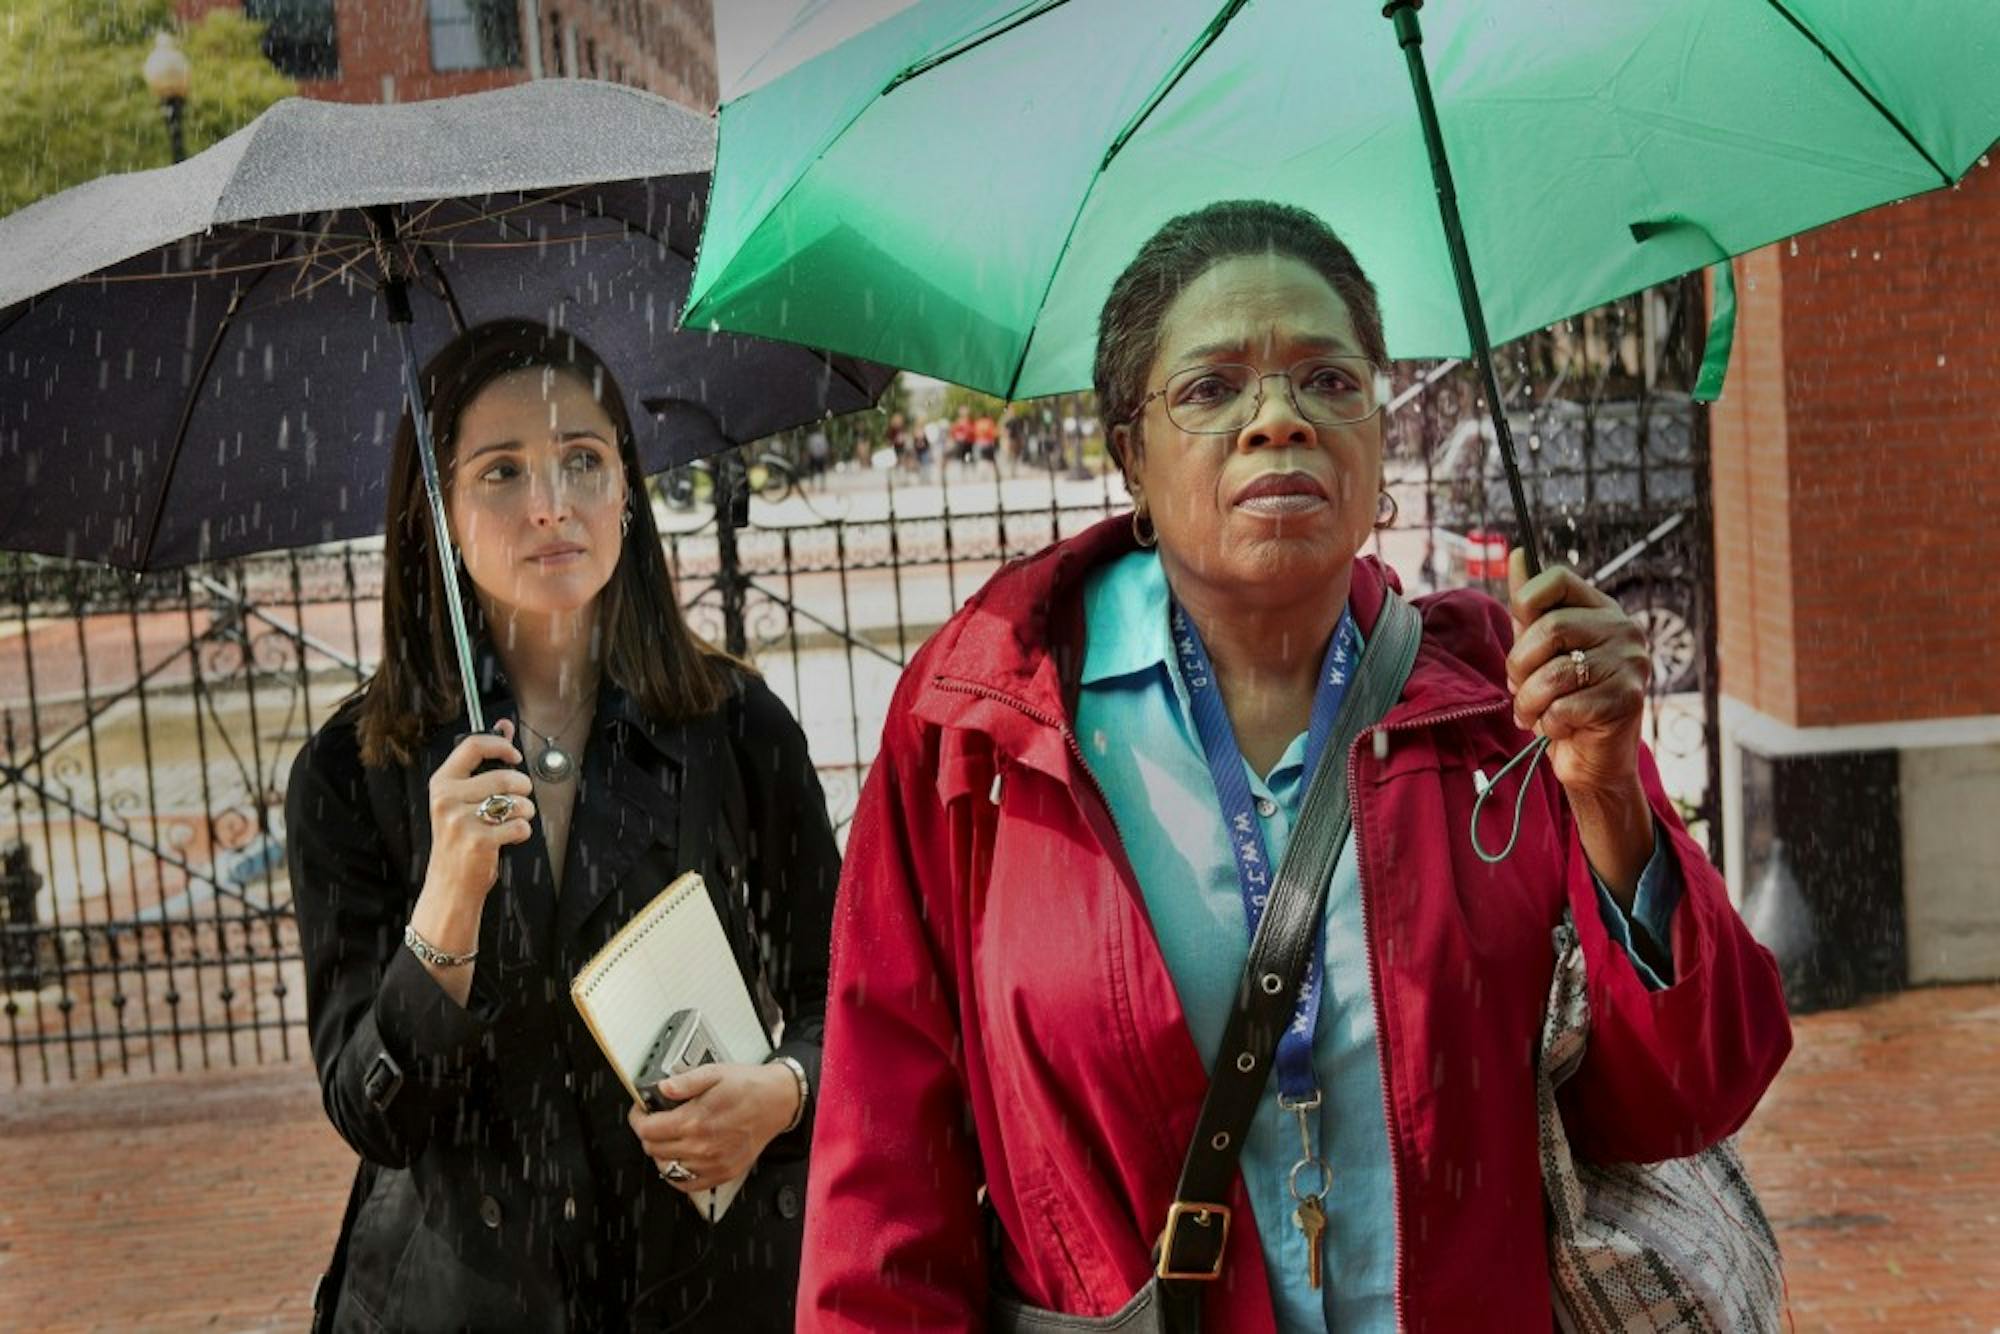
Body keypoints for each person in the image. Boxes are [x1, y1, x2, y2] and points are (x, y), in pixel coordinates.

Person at [799, 202, 1791, 1331]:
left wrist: (1608, 790)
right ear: (1127, 449)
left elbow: (1692, 1091)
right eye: (1212, 388)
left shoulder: (1502, 712)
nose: (1279, 418)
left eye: (1328, 378)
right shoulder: (978, 729)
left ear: (1377, 426)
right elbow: (882, 1182)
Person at [288, 319, 838, 1332]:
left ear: (628, 487)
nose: (551, 505)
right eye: (500, 472)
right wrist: (449, 894)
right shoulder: (350, 772)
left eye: (582, 460)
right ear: (439, 514)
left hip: (707, 1283)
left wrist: (783, 1090)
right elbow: (375, 1111)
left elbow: (848, 994)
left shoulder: (734, 728)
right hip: (464, 1297)